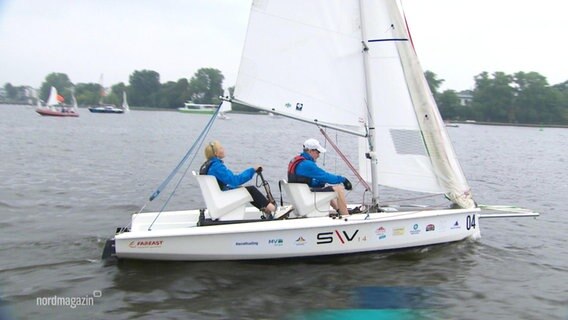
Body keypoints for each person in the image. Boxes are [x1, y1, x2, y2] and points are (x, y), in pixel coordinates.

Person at [200, 140, 276, 218]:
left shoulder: (207, 165)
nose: (223, 149)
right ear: (216, 153)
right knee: (251, 190)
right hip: (222, 198)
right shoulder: (217, 167)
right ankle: (273, 209)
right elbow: (235, 181)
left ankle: (266, 209)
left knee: (244, 189)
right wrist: (252, 170)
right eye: (221, 148)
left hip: (217, 197)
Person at [288, 138, 352, 216]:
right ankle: (345, 215)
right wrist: (343, 180)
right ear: (310, 151)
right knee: (339, 189)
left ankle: (338, 210)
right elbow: (326, 176)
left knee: (325, 188)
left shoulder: (296, 161)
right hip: (306, 196)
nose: (319, 155)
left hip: (301, 194)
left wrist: (320, 182)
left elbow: (302, 180)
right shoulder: (307, 164)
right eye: (318, 152)